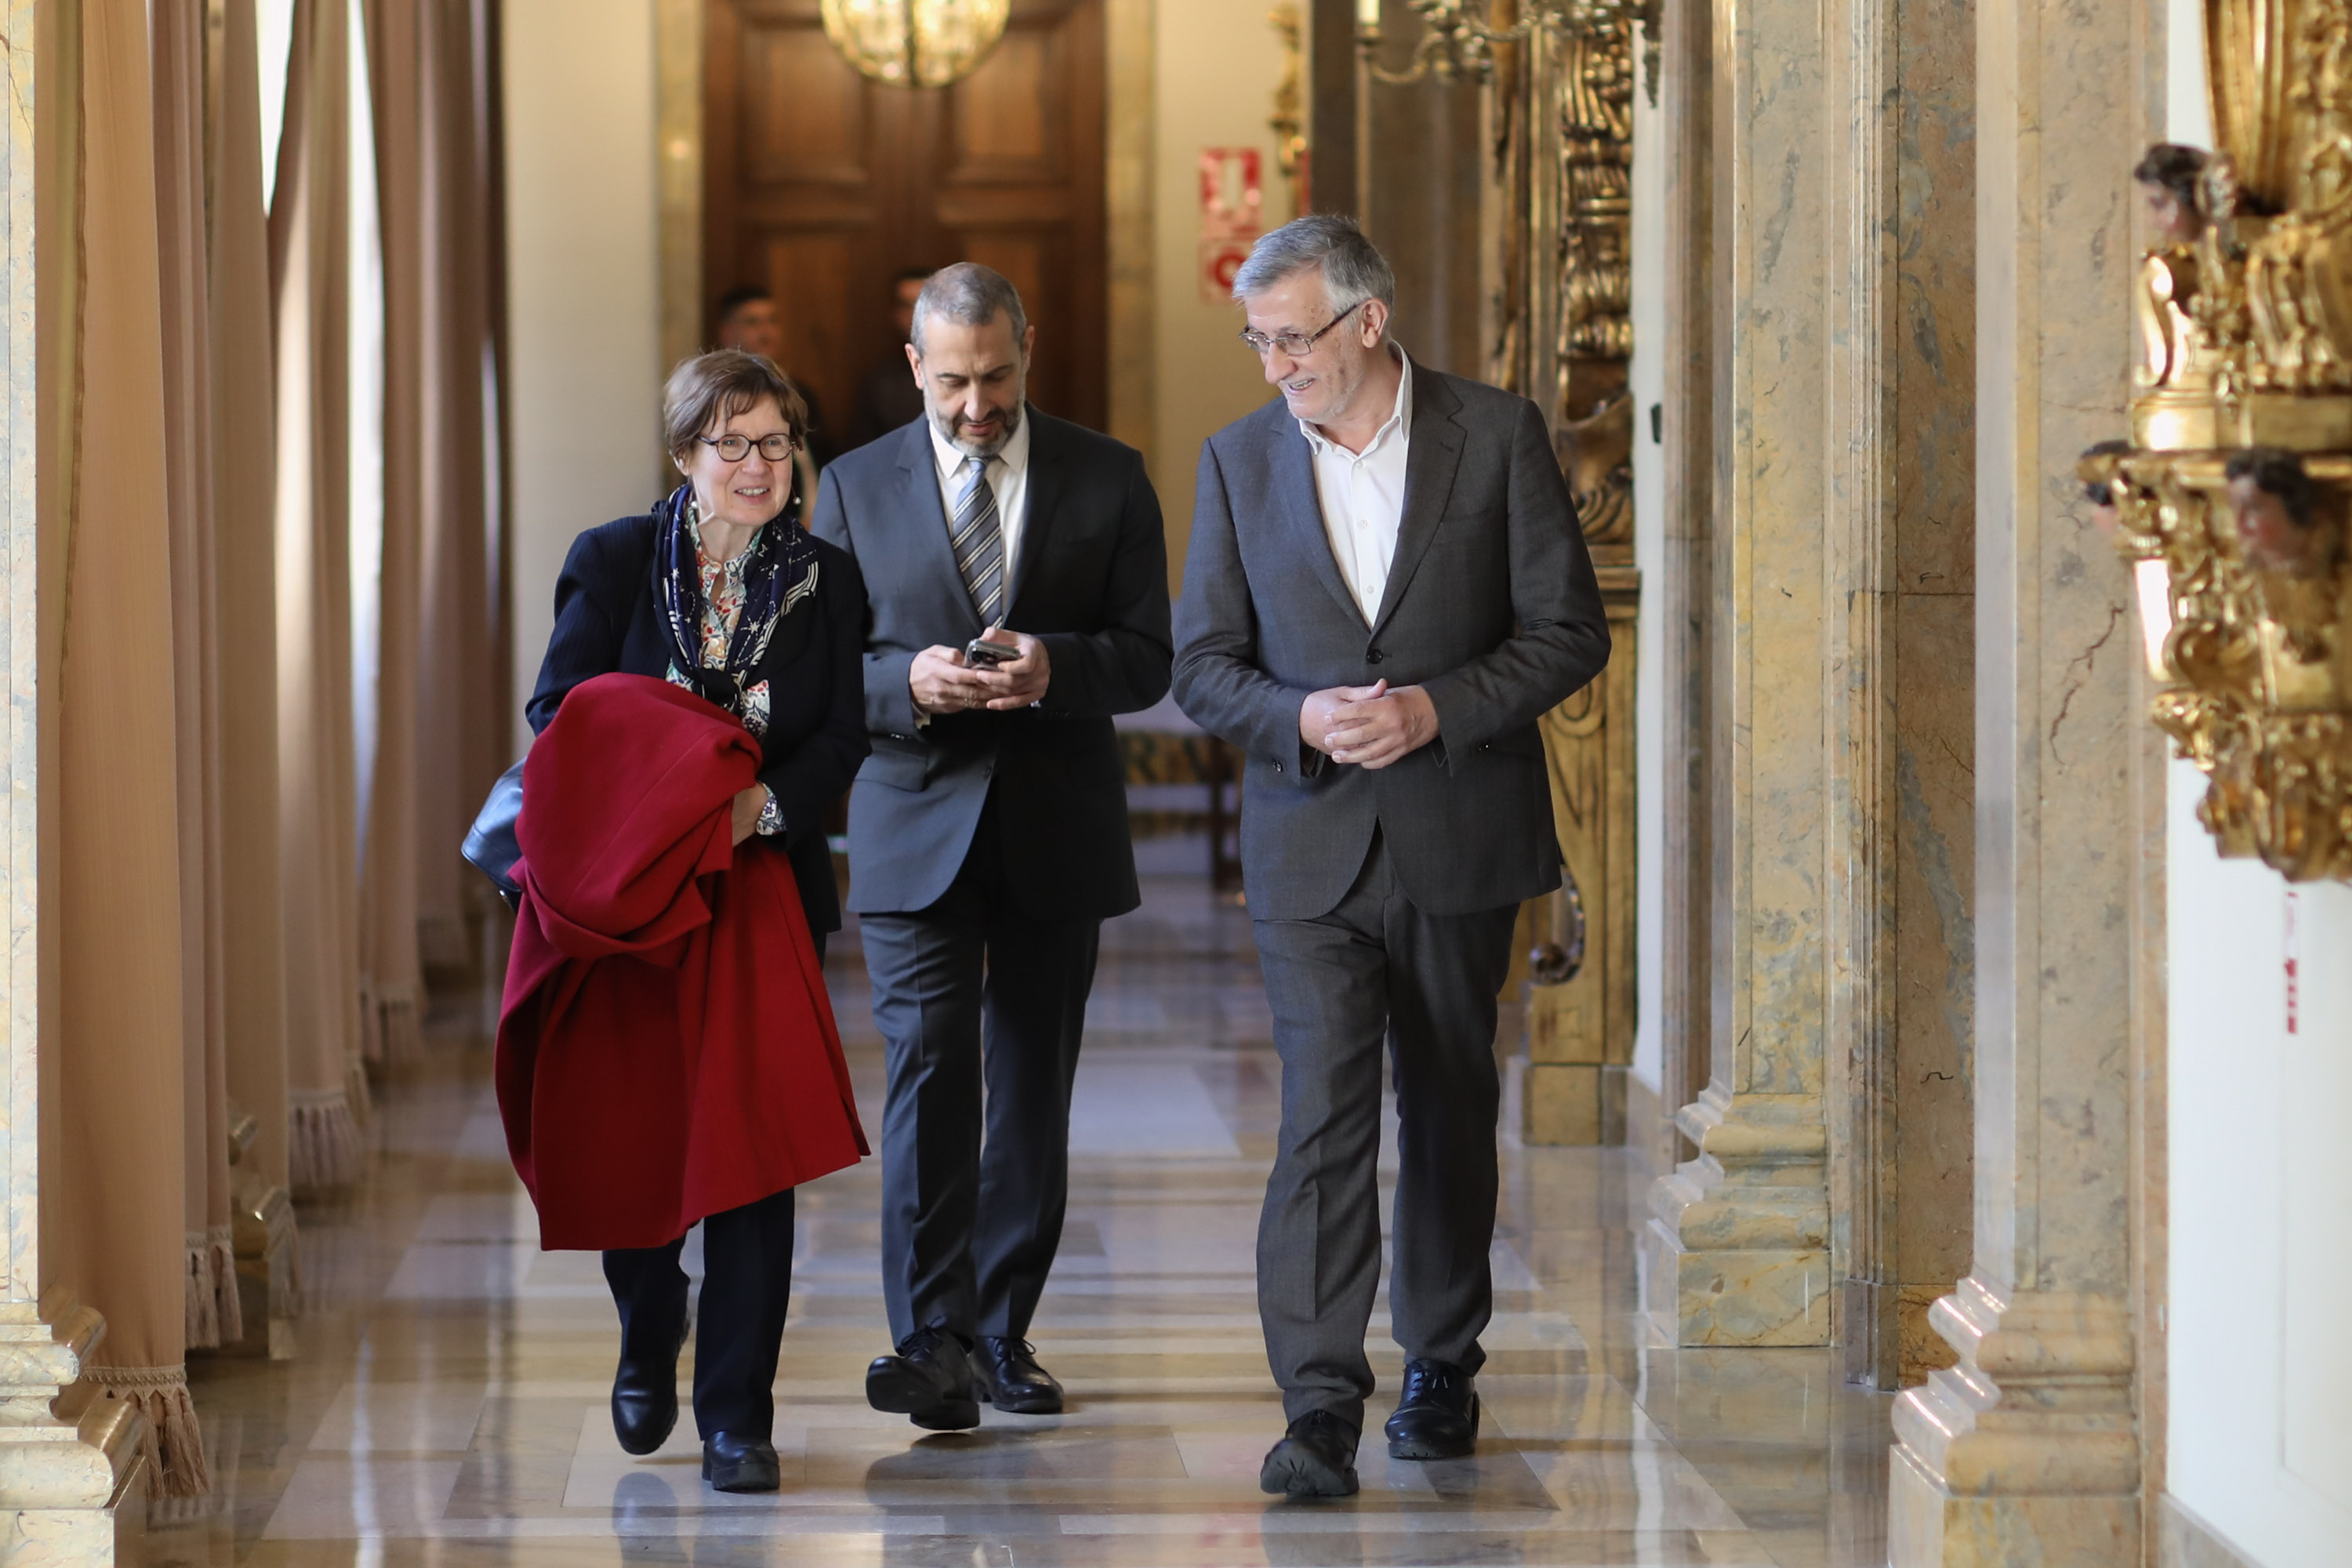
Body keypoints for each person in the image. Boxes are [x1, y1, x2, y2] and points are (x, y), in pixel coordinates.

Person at [1171, 215, 1610, 1498]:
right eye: (1257, 340)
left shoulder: (1499, 435)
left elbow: (1567, 633)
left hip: (1459, 832)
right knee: (1322, 1112)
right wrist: (1299, 717)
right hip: (1308, 845)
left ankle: (1441, 1363)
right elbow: (1203, 664)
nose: (1273, 366)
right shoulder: (1239, 461)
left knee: (1451, 1099)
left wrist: (1436, 707)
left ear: (1369, 319)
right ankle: (1316, 1405)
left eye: (1292, 337)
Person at [808, 263, 1172, 1431]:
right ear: (916, 366)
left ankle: (1004, 1333)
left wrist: (1057, 665)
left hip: (1054, 823)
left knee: (1029, 1090)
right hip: (914, 823)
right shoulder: (855, 487)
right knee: (927, 1076)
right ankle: (930, 1339)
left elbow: (1152, 655)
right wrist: (905, 679)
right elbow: (821, 672)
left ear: (1031, 350)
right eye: (954, 381)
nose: (977, 406)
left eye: (998, 378)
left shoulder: (1109, 476)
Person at [520, 349, 872, 1494]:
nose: (760, 464)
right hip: (637, 903)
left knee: (753, 1159)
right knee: (646, 1137)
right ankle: (646, 1315)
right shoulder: (616, 560)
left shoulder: (826, 578)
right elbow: (560, 710)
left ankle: (736, 1418)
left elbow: (842, 736)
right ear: (685, 455)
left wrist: (761, 805)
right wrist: (675, 788)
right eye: (734, 442)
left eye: (777, 440)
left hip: (761, 886)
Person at [714, 284, 833, 479]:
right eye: (753, 323)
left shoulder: (801, 393)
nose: (766, 332)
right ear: (728, 333)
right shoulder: (718, 398)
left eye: (772, 321)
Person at [849, 268, 934, 450]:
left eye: (923, 304)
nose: (915, 314)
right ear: (895, 314)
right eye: (907, 305)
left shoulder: (970, 372)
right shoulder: (879, 385)